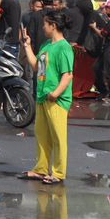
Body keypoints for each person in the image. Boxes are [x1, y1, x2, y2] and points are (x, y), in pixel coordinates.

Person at [26, 11, 74, 185]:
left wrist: (55, 93)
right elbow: (36, 67)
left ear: (53, 26)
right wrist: (27, 46)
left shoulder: (64, 47)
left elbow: (67, 75)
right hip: (42, 95)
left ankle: (59, 172)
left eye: (45, 24)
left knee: (58, 137)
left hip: (56, 99)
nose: (43, 27)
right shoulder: (46, 45)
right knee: (42, 135)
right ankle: (41, 169)